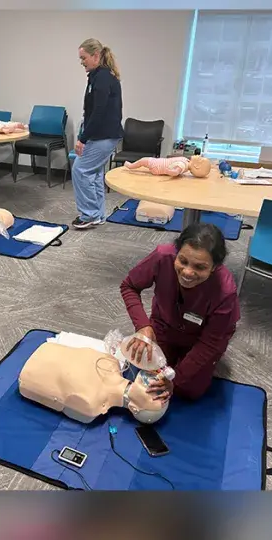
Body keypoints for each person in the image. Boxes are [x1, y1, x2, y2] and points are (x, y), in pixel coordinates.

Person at [119, 223, 241, 401]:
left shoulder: (225, 290)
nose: (188, 272)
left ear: (214, 267)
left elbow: (210, 343)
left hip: (202, 338)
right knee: (148, 374)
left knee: (188, 390)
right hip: (164, 325)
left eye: (200, 267)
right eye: (182, 261)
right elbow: (129, 286)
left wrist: (176, 379)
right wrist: (143, 326)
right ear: (176, 252)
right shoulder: (162, 256)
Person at [71, 38, 124, 229]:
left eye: (84, 58)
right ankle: (98, 214)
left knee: (80, 170)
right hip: (103, 134)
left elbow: (99, 111)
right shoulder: (98, 76)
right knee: (92, 173)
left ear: (95, 55)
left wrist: (82, 139)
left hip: (104, 135)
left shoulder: (102, 78)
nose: (82, 62)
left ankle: (89, 214)